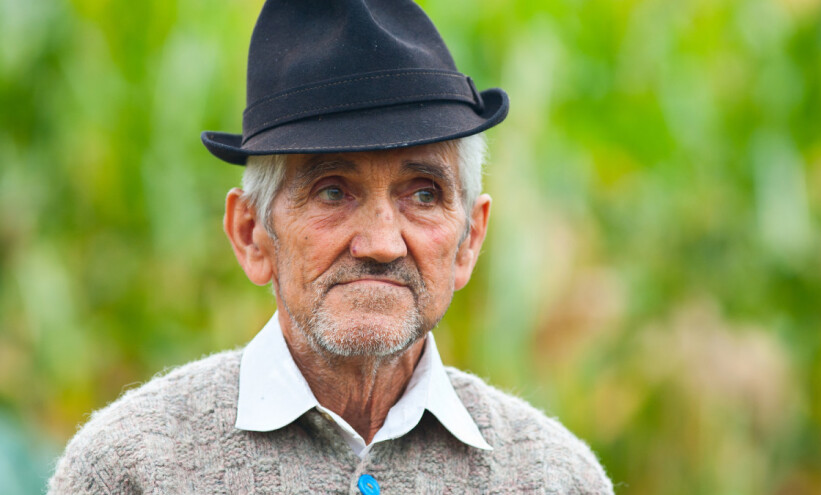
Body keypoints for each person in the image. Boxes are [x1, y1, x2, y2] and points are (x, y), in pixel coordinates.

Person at [49, 0, 614, 493]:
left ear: (469, 239)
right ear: (252, 235)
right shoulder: (130, 470)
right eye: (332, 191)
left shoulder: (556, 479)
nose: (381, 243)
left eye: (423, 193)